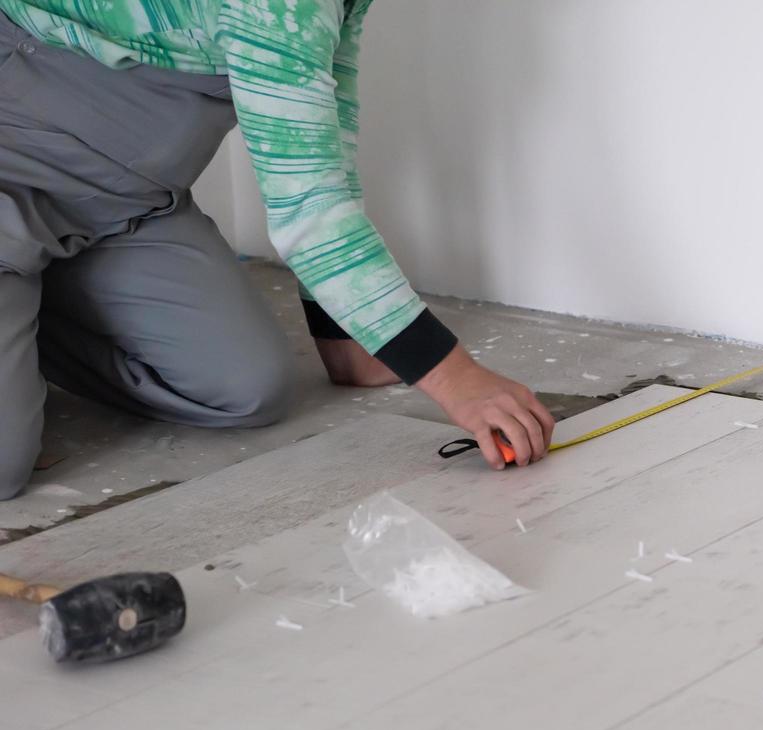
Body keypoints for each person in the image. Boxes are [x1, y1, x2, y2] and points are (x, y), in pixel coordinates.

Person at [0, 0, 554, 502]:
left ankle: (24, 314)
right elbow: (309, 214)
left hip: (128, 206)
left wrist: (344, 333)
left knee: (244, 389)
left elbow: (323, 145)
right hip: (13, 172)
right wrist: (455, 378)